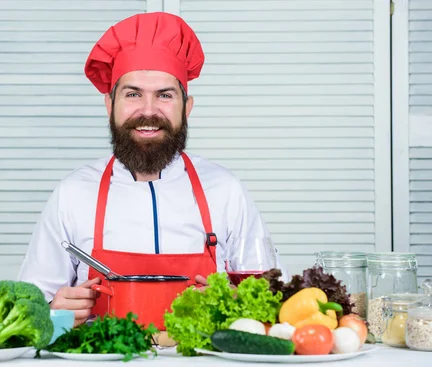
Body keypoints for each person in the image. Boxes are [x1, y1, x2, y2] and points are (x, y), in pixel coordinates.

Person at [18, 12, 288, 327]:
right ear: (110, 105)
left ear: (187, 108)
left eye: (164, 95)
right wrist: (55, 313)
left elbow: (272, 304)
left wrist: (238, 302)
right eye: (133, 94)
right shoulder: (72, 194)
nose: (148, 111)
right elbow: (27, 319)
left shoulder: (226, 190)